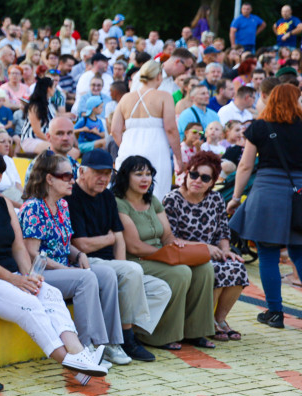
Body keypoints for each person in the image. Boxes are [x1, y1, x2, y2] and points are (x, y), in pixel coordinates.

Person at [0, 149, 108, 378]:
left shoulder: (3, 203)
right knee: (31, 306)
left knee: (51, 295)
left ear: (0, 177)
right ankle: (70, 363)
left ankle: (81, 355)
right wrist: (13, 278)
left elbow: (18, 246)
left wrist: (28, 275)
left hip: (13, 273)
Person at [67, 150, 171, 362]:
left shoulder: (107, 196)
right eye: (98, 173)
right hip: (84, 263)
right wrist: (108, 240)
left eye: (107, 173)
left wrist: (122, 265)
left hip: (109, 263)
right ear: (82, 171)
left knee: (160, 289)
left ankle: (126, 334)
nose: (104, 178)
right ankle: (124, 339)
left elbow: (119, 238)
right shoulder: (72, 196)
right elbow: (80, 244)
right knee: (132, 271)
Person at [20, 153, 126, 360]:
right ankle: (87, 347)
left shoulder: (62, 205)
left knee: (107, 274)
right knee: (85, 278)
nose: (72, 179)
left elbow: (65, 243)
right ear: (49, 179)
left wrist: (79, 255)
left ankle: (111, 343)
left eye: (72, 174)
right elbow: (33, 253)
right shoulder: (34, 207)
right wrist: (67, 270)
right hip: (41, 274)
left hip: (63, 268)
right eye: (67, 176)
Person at [115, 155, 216, 350]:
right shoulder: (119, 203)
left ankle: (194, 331)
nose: (145, 179)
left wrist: (175, 248)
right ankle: (157, 334)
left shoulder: (152, 200)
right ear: (125, 176)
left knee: (204, 268)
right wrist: (168, 256)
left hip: (160, 254)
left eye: (148, 174)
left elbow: (167, 236)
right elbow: (134, 246)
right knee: (181, 272)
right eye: (139, 174)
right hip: (136, 259)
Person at [229, 83, 302, 329]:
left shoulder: (259, 127)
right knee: (299, 253)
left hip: (267, 193)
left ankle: (274, 312)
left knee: (268, 254)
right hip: (299, 193)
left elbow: (245, 166)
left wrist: (235, 197)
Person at [163, 151, 248, 341]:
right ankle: (206, 322)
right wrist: (204, 247)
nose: (197, 180)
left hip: (212, 253)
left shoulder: (216, 199)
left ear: (212, 182)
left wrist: (226, 250)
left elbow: (223, 232)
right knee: (216, 270)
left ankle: (219, 320)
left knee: (237, 267)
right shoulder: (172, 199)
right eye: (193, 174)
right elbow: (171, 238)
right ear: (186, 173)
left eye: (205, 177)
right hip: (184, 254)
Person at [112, 59, 182, 199]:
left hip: (128, 149)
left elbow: (114, 130)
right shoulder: (164, 96)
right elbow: (171, 129)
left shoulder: (126, 98)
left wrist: (126, 145)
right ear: (158, 76)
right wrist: (178, 159)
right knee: (156, 195)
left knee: (126, 196)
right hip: (156, 149)